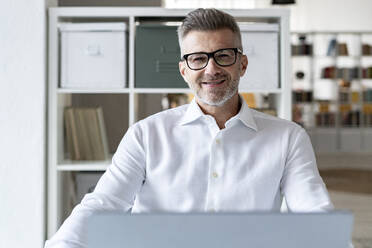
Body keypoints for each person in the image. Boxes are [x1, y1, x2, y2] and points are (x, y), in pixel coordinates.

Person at [45, 8, 333, 248]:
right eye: (198, 58)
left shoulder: (288, 138)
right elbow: (102, 205)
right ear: (184, 70)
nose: (211, 69)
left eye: (223, 55)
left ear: (242, 64)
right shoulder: (146, 135)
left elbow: (314, 213)